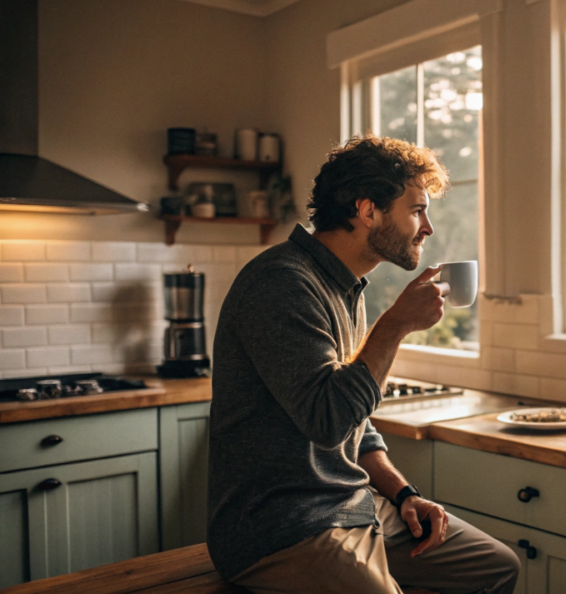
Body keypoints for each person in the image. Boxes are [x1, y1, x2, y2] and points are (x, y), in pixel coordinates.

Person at [206, 135, 520, 594]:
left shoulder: (346, 286)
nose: (427, 227)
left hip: (353, 506)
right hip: (280, 528)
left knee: (495, 567)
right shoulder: (282, 284)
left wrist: (404, 494)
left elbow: (357, 423)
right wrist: (394, 326)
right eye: (416, 210)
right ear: (367, 210)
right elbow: (327, 418)